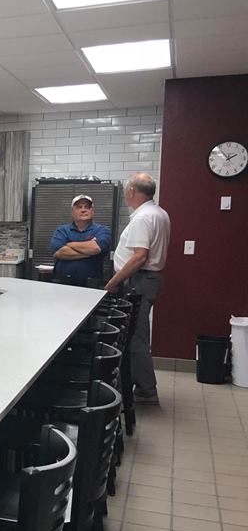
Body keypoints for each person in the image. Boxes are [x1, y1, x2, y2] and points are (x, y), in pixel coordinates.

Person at [104, 173, 171, 405]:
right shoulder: (159, 213)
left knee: (135, 337)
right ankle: (134, 384)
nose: (125, 194)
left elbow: (139, 257)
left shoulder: (143, 217)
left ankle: (146, 391)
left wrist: (113, 282)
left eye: (126, 190)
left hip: (139, 281)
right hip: (146, 280)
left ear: (131, 191)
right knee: (135, 334)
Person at [50, 195, 111, 287]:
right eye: (79, 207)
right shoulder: (62, 230)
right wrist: (89, 252)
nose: (83, 210)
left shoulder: (102, 230)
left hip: (91, 285)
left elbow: (96, 248)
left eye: (87, 207)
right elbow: (59, 252)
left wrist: (69, 244)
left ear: (92, 211)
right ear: (72, 212)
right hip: (62, 284)